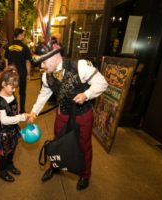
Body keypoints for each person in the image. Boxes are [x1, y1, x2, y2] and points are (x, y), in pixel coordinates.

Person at [28, 43, 108, 190]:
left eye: (44, 62)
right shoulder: (47, 76)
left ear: (55, 56)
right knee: (57, 142)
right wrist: (34, 112)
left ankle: (85, 174)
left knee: (84, 145)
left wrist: (86, 94)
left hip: (83, 114)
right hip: (62, 114)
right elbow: (43, 95)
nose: (42, 67)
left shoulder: (80, 66)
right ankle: (55, 166)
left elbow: (102, 83)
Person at [0, 67, 28, 182]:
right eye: (12, 87)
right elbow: (4, 120)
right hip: (4, 132)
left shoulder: (11, 94)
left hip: (13, 129)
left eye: (15, 87)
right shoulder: (0, 101)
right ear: (3, 84)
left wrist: (20, 117)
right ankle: (2, 171)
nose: (14, 90)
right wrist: (20, 117)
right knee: (5, 153)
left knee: (13, 148)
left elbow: (14, 110)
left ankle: (10, 165)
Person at [4, 28, 31, 113]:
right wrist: (28, 74)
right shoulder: (25, 47)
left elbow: (6, 61)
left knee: (10, 92)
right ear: (19, 35)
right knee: (22, 93)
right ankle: (22, 110)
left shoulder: (8, 46)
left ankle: (12, 109)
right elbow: (27, 62)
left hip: (11, 74)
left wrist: (6, 72)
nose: (23, 36)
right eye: (23, 34)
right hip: (22, 74)